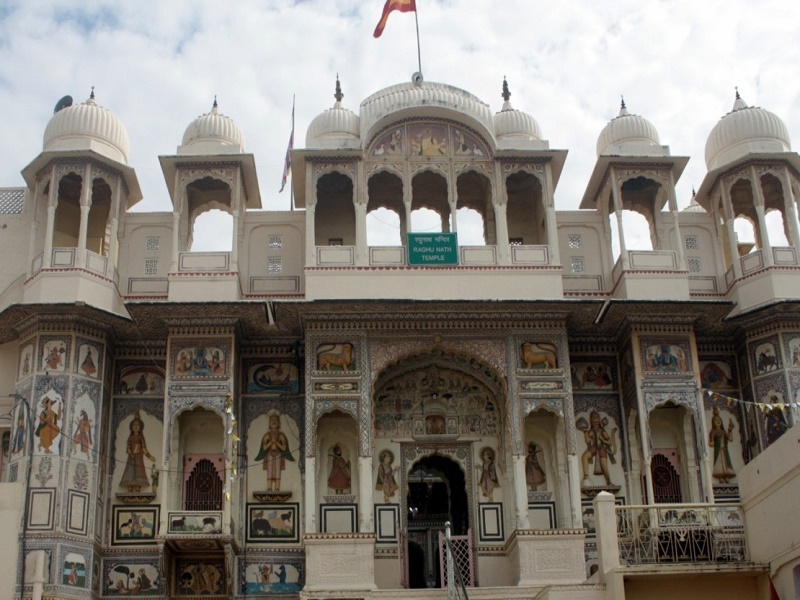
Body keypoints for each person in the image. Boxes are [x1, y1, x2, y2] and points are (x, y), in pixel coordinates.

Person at [255, 414, 294, 491]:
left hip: (278, 454)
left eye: (276, 420)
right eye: (272, 420)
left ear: (279, 423)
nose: (274, 422)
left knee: (277, 472)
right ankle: (269, 488)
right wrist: (271, 442)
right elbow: (264, 448)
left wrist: (276, 442)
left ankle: (277, 488)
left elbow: (284, 448)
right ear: (269, 423)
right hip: (269, 454)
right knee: (269, 471)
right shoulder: (267, 435)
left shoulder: (281, 435)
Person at [120, 411, 156, 492]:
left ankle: (137, 487)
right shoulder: (131, 437)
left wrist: (150, 456)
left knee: (139, 471)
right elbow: (128, 447)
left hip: (139, 458)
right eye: (134, 425)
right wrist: (131, 453)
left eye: (137, 425)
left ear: (140, 427)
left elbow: (144, 448)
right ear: (132, 427)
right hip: (131, 457)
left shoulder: (140, 437)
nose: (136, 427)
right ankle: (130, 487)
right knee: (130, 470)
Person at [579, 410, 617, 485]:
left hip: (602, 448)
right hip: (594, 447)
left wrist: (602, 439)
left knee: (604, 465)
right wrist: (585, 432)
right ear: (590, 420)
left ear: (599, 420)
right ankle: (586, 477)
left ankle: (608, 481)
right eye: (594, 418)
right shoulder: (591, 430)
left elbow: (609, 442)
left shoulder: (602, 431)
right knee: (584, 457)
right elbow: (588, 441)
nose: (595, 419)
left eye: (597, 417)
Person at [708, 406, 736, 484]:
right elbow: (711, 443)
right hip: (718, 450)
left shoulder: (723, 432)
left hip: (724, 449)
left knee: (726, 462)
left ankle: (727, 476)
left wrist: (730, 430)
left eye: (719, 420)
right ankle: (720, 477)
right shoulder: (713, 432)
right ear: (713, 422)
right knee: (719, 463)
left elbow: (730, 439)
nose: (718, 421)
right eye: (716, 420)